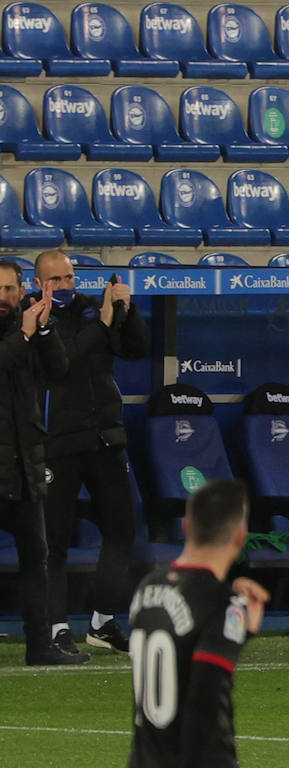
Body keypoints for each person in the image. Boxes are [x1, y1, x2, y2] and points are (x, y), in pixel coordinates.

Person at [121, 479, 270, 768]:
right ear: (240, 536)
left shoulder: (148, 587)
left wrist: (241, 631)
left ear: (186, 525)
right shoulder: (220, 603)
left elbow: (181, 657)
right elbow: (202, 702)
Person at [33, 250, 148, 657]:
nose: (65, 286)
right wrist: (102, 322)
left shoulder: (91, 309)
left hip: (105, 437)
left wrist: (125, 310)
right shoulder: (33, 318)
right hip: (58, 442)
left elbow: (135, 349)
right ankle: (57, 628)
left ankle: (103, 620)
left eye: (69, 277)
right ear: (38, 284)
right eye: (55, 280)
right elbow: (60, 365)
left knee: (122, 529)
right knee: (55, 540)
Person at [0, 260, 83, 666]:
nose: (3, 297)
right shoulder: (21, 332)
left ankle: (40, 645)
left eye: (9, 289)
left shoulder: (32, 326)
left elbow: (59, 369)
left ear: (21, 290)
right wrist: (26, 333)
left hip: (24, 465)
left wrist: (45, 329)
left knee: (37, 556)